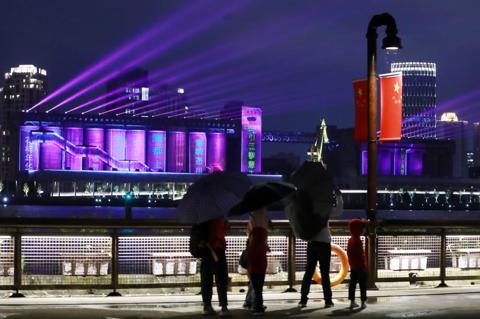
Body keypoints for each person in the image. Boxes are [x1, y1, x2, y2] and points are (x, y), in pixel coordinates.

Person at [298, 187, 343, 308]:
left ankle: (303, 299)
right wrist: (338, 196)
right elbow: (338, 211)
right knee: (324, 272)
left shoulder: (309, 209)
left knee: (308, 271)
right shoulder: (325, 208)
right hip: (324, 242)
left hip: (312, 241)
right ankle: (328, 301)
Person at [200, 216, 231, 317]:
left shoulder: (202, 216)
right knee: (221, 280)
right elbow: (224, 231)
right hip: (217, 251)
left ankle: (207, 307)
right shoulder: (220, 216)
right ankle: (224, 308)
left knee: (206, 280)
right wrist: (226, 224)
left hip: (205, 251)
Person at [245, 207, 270, 316]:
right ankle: (256, 304)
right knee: (259, 282)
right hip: (261, 254)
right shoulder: (265, 216)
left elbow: (249, 233)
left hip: (253, 254)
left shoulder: (253, 217)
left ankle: (255, 304)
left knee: (255, 281)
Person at [347, 218, 367, 309]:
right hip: (360, 266)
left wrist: (351, 264)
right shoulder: (358, 241)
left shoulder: (350, 240)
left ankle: (352, 302)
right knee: (362, 284)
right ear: (358, 229)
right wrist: (364, 265)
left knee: (352, 284)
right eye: (362, 228)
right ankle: (363, 302)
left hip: (353, 266)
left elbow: (349, 253)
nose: (364, 230)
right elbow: (360, 255)